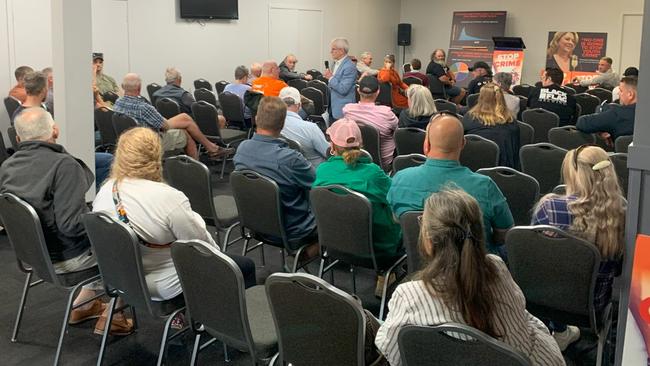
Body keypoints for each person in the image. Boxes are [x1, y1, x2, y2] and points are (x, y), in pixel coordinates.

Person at [376, 188, 564, 366]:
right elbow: (521, 314)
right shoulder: (497, 267)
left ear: (429, 239)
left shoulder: (408, 295)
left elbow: (392, 353)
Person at [0, 107, 131, 335]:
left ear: (19, 138)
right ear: (55, 131)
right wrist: (109, 223)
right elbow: (72, 226)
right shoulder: (63, 166)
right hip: (67, 260)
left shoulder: (7, 166)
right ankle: (115, 316)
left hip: (34, 257)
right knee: (127, 242)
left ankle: (84, 305)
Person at [92, 127, 257, 303]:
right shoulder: (168, 197)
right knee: (243, 266)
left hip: (125, 279)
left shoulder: (106, 190)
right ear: (156, 154)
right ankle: (233, 325)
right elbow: (202, 248)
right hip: (165, 285)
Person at [531, 145, 625, 351]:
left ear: (572, 175)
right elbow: (619, 270)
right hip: (593, 307)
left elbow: (534, 258)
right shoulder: (622, 215)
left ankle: (560, 331)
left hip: (544, 300)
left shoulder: (549, 208)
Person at [388, 113, 514, 255]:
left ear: (426, 144)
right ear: (463, 144)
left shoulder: (400, 179)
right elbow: (504, 233)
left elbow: (396, 223)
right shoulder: (485, 186)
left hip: (418, 262)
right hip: (473, 268)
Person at [233, 96, 318, 250]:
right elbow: (318, 184)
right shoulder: (291, 159)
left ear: (257, 118)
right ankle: (306, 256)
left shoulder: (242, 149)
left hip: (256, 225)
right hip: (293, 230)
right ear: (282, 124)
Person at [313, 118, 402, 258]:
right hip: (376, 248)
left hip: (335, 242)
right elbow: (396, 196)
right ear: (360, 144)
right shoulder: (373, 173)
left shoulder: (322, 170)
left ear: (332, 145)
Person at [113, 73, 232, 159]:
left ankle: (211, 148)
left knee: (184, 119)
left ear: (123, 87)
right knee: (185, 132)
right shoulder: (144, 107)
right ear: (139, 88)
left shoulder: (118, 103)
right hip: (149, 141)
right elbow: (164, 126)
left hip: (128, 140)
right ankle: (199, 164)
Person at [342, 76, 399, 169]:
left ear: (358, 90)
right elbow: (397, 131)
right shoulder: (387, 113)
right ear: (378, 92)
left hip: (355, 159)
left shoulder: (348, 110)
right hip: (382, 163)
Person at [462, 83, 520, 168]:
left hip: (470, 167)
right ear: (501, 98)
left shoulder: (469, 117)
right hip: (500, 171)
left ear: (481, 97)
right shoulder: (511, 122)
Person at [279, 86, 329, 168]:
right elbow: (327, 152)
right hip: (314, 173)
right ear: (299, 105)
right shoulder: (311, 128)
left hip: (285, 172)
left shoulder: (271, 126)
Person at [576, 76, 636, 143]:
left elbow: (583, 122)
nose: (618, 93)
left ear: (630, 94)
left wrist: (601, 129)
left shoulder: (617, 114)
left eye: (621, 91)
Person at [324, 37, 357, 120]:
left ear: (341, 51)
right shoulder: (334, 63)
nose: (331, 51)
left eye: (333, 49)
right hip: (332, 107)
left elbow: (343, 89)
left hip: (342, 110)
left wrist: (330, 78)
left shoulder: (349, 66)